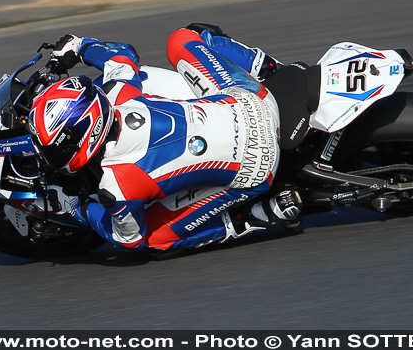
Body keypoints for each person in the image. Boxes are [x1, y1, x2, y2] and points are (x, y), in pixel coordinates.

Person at [28, 23, 302, 252]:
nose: (49, 155)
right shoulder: (120, 93)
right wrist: (78, 47)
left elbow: (129, 239)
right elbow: (121, 54)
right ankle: (274, 71)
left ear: (86, 135)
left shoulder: (117, 185)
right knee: (182, 38)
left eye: (54, 149)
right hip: (257, 101)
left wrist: (78, 207)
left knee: (156, 239)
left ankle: (257, 217)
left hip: (259, 171)